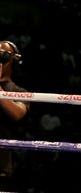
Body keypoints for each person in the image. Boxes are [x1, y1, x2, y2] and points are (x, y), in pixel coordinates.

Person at [0, 40, 29, 189]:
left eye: (2, 55)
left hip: (2, 165)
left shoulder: (19, 91)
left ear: (12, 59)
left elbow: (17, 113)